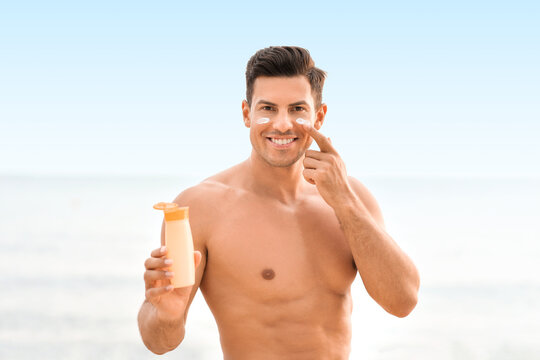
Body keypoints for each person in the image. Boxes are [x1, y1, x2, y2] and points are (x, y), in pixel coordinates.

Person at [138, 46, 420, 359]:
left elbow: (403, 302)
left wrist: (344, 202)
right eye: (268, 109)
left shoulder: (352, 198)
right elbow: (159, 342)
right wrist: (164, 315)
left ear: (319, 116)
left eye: (298, 109)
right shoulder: (201, 207)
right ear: (247, 114)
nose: (282, 124)